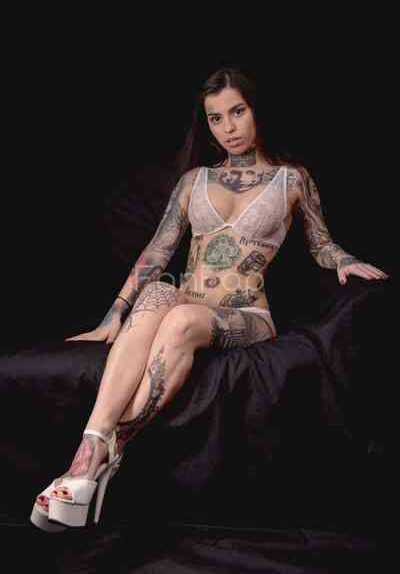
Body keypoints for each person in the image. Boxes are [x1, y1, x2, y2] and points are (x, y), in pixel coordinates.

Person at [30, 68, 389, 532]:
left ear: (256, 111)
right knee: (161, 292)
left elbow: (320, 243)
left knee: (180, 318)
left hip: (246, 313)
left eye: (238, 112)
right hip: (187, 299)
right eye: (216, 118)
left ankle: (94, 460)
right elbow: (157, 251)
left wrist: (344, 260)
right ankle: (88, 458)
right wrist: (113, 315)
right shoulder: (193, 180)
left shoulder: (291, 180)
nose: (229, 128)